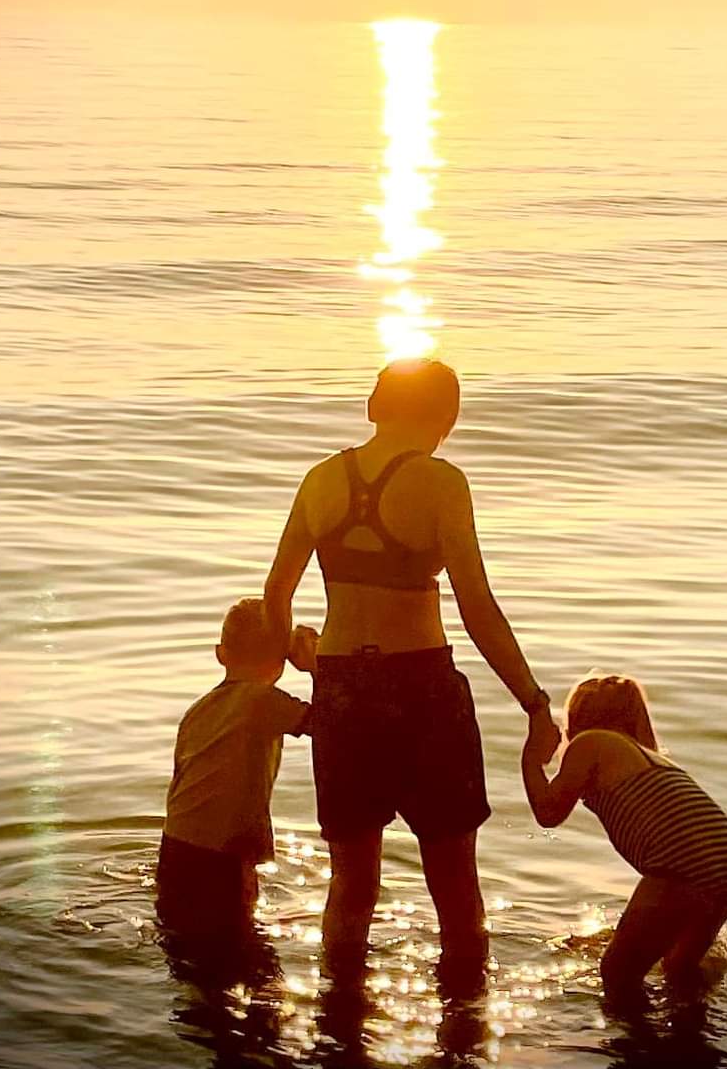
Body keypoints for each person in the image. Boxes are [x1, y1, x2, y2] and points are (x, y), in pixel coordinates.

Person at [262, 357, 559, 984]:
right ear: (446, 417)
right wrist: (534, 702)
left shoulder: (320, 480)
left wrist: (297, 650)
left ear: (376, 406)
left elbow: (275, 595)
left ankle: (339, 1028)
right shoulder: (442, 483)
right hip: (422, 688)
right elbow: (477, 608)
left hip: (341, 689)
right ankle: (464, 1032)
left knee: (352, 886)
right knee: (454, 888)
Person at [522, 674, 727, 998]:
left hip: (682, 862)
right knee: (679, 969)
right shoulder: (649, 758)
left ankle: (638, 1047)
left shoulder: (591, 743)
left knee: (617, 973)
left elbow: (548, 813)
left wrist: (531, 759)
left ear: (580, 718)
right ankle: (692, 1039)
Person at [156, 598, 315, 942]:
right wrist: (318, 667)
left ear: (220, 653)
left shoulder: (199, 710)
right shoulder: (263, 701)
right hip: (225, 854)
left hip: (176, 845)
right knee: (241, 949)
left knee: (182, 943)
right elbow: (332, 723)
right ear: (282, 661)